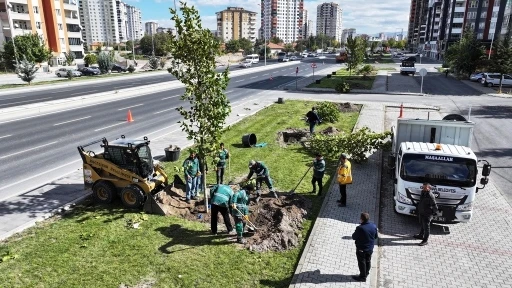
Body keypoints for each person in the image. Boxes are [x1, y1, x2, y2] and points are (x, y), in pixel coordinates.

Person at [351, 212, 378, 282]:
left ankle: (362, 277)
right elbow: (375, 236)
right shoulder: (374, 226)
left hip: (362, 249)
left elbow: (354, 237)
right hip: (370, 248)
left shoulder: (360, 228)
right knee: (368, 260)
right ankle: (366, 273)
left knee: (362, 262)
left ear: (361, 219)